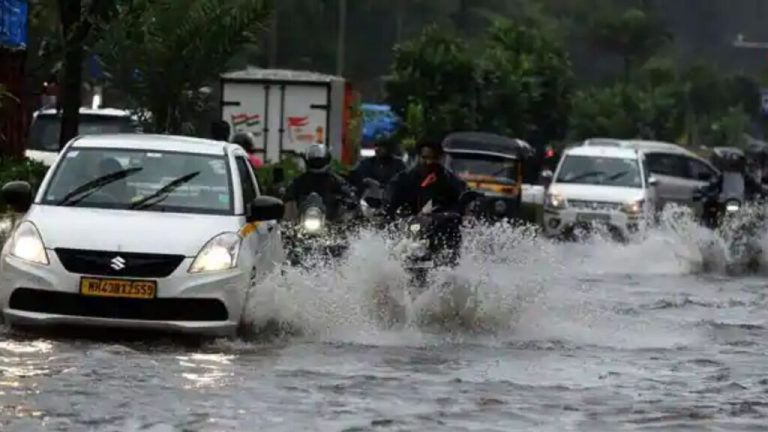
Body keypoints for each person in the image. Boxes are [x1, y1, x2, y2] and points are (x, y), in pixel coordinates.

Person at [385, 138, 468, 264]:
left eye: (433, 158)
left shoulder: (449, 179)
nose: (428, 162)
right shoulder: (405, 178)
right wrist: (389, 210)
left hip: (441, 227)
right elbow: (391, 198)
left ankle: (448, 269)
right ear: (418, 157)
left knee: (452, 240)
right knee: (397, 246)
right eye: (424, 158)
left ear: (440, 158)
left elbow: (462, 197)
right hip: (412, 224)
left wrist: (455, 212)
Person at [282, 144, 356, 222]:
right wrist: (284, 196)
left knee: (346, 225)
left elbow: (348, 192)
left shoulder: (335, 179)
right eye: (315, 159)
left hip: (331, 221)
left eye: (319, 159)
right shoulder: (300, 180)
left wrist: (349, 198)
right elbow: (288, 194)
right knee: (286, 228)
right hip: (304, 218)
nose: (317, 162)